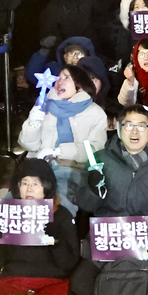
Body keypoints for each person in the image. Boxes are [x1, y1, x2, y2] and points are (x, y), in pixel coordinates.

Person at [72, 105, 148, 295]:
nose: (134, 131)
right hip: (109, 237)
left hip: (147, 238)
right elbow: (86, 205)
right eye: (129, 125)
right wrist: (93, 187)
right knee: (80, 283)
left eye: (142, 126)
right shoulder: (100, 160)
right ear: (118, 129)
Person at [0, 159, 78, 295]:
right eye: (24, 183)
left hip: (48, 280)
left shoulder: (61, 215)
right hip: (14, 278)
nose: (29, 189)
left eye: (36, 183)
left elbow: (69, 262)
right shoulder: (9, 212)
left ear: (46, 187)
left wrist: (54, 240)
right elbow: (0, 258)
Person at [17, 65, 107, 215]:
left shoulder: (96, 113)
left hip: (71, 170)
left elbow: (94, 150)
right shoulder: (44, 105)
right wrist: (32, 123)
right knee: (13, 201)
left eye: (66, 77)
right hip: (37, 168)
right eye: (58, 77)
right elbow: (27, 144)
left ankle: (54, 237)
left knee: (60, 206)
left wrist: (59, 151)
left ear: (80, 85)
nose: (60, 81)